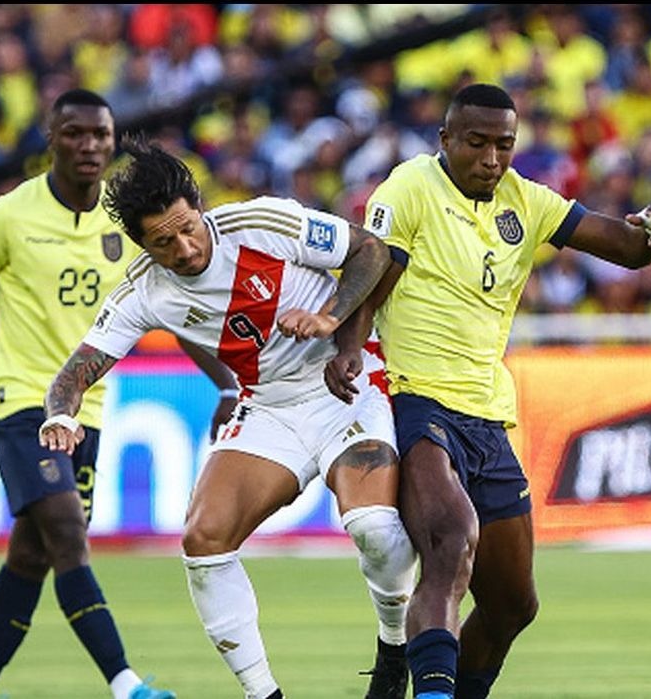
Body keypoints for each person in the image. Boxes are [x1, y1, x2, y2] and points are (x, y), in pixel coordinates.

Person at [325, 83, 651, 699]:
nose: (493, 159)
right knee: (449, 544)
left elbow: (624, 248)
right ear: (446, 140)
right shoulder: (409, 187)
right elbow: (375, 269)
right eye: (477, 143)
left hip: (489, 417)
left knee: (512, 606)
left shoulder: (527, 201)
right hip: (417, 402)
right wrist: (346, 348)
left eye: (504, 145)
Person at [39, 135, 419, 699]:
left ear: (199, 204)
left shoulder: (264, 221)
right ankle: (263, 695)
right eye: (163, 243)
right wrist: (60, 416)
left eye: (188, 228)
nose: (186, 250)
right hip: (269, 405)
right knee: (203, 537)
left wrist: (332, 320)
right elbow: (73, 374)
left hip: (349, 385)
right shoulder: (145, 291)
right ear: (142, 245)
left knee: (374, 528)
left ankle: (394, 652)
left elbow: (371, 251)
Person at [0, 89, 236, 699]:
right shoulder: (8, 216)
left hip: (90, 407)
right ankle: (127, 684)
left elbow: (169, 311)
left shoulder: (128, 224)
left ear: (112, 140)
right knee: (69, 537)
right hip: (21, 399)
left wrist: (226, 381)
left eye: (101, 135)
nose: (90, 146)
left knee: (33, 554)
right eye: (75, 133)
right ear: (51, 139)